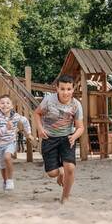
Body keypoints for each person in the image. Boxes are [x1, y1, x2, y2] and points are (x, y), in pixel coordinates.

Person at [34, 75, 84, 204]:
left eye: (68, 89)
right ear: (57, 88)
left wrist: (74, 136)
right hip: (49, 138)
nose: (65, 92)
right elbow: (37, 113)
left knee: (71, 168)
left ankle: (65, 197)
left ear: (73, 89)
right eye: (62, 89)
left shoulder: (76, 105)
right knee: (52, 173)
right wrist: (40, 128)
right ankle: (60, 172)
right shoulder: (48, 100)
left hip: (67, 138)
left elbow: (80, 127)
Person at [0, 94, 33, 191]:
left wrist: (29, 133)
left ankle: (10, 180)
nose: (5, 105)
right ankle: (5, 181)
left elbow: (25, 121)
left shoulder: (15, 116)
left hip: (10, 142)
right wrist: (6, 128)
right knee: (2, 167)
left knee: (7, 157)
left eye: (7, 103)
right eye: (2, 103)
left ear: (11, 106)